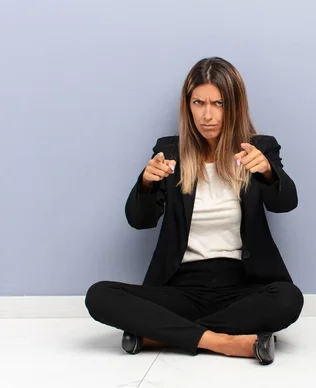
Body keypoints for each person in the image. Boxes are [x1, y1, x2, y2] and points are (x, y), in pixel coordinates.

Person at [85, 57, 303, 365]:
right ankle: (225, 342)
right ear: (187, 105)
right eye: (199, 102)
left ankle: (159, 335)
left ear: (235, 106)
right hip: (180, 290)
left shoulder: (259, 148)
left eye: (219, 103)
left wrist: (268, 172)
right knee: (99, 295)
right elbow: (140, 221)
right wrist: (146, 184)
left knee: (288, 299)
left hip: (241, 287)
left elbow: (286, 203)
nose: (208, 114)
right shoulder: (170, 151)